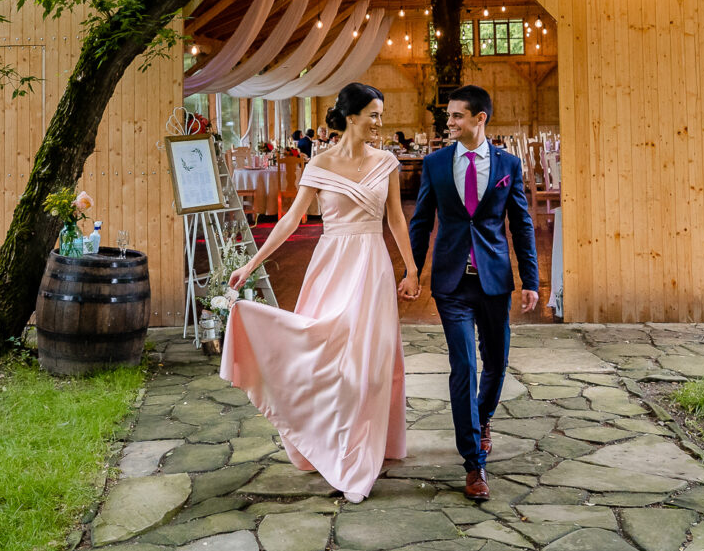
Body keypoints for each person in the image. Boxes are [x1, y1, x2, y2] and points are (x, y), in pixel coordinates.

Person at [221, 82, 421, 503]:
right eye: (374, 115)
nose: (381, 123)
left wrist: (412, 268)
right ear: (352, 117)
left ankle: (360, 449)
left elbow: (397, 222)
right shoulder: (318, 165)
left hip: (372, 267)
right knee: (323, 354)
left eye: (381, 115)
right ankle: (325, 440)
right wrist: (250, 264)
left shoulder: (386, 162)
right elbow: (291, 221)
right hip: (331, 265)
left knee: (368, 365)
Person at [407, 84, 537, 501]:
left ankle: (482, 420)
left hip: (494, 280)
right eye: (449, 116)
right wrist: (412, 271)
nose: (450, 123)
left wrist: (531, 280)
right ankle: (473, 463)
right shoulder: (436, 164)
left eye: (457, 116)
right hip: (450, 283)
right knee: (464, 366)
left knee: (496, 362)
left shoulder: (508, 165)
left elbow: (521, 224)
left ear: (480, 118)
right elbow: (421, 221)